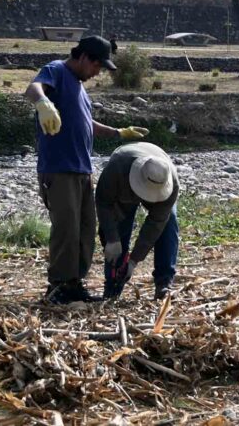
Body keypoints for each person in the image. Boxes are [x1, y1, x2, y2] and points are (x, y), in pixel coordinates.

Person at [24, 36, 150, 305]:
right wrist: (43, 103)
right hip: (59, 169)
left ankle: (74, 284)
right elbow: (33, 88)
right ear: (83, 57)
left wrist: (118, 132)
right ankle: (58, 286)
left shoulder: (80, 88)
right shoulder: (57, 70)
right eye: (96, 66)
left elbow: (85, 122)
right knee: (66, 229)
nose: (97, 72)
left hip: (82, 169)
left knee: (85, 229)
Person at [97, 143, 180, 300]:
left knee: (168, 224)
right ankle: (112, 286)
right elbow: (103, 203)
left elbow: (156, 224)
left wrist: (134, 260)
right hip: (124, 186)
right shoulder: (117, 167)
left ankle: (164, 283)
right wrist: (112, 239)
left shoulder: (171, 184)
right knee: (119, 228)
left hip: (159, 188)